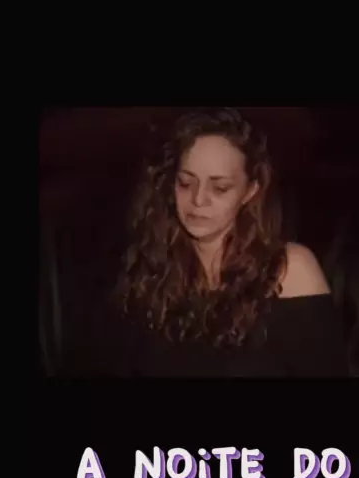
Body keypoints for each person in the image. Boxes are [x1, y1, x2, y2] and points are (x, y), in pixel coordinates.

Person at [114, 107, 347, 377]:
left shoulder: (289, 269)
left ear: (250, 191)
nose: (198, 199)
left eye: (220, 188)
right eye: (185, 183)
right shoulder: (152, 269)